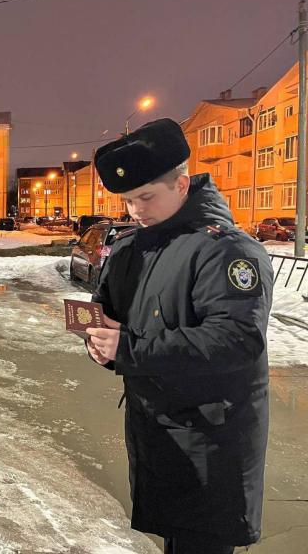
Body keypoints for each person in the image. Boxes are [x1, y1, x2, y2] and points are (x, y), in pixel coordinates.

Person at [85, 118, 272, 554]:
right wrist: (99, 342)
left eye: (146, 196)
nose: (135, 210)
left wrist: (129, 348)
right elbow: (105, 313)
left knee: (202, 541)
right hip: (156, 432)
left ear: (182, 184)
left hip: (211, 440)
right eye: (128, 200)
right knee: (173, 536)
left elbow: (236, 339)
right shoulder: (133, 248)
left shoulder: (228, 250)